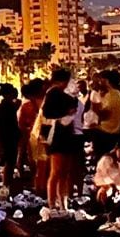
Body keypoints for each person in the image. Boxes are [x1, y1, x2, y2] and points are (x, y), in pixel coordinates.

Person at [38, 68, 83, 208]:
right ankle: (53, 203)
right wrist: (66, 111)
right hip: (58, 134)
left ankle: (62, 203)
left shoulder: (58, 93)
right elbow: (48, 113)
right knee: (57, 171)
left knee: (63, 172)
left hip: (64, 134)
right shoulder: (53, 93)